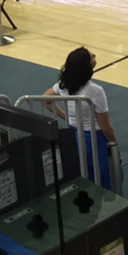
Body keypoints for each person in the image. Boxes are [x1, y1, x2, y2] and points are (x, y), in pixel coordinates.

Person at [45, 46, 118, 191]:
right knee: (101, 177)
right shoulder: (96, 91)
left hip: (73, 135)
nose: (95, 56)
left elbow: (45, 100)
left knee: (80, 175)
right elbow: (105, 127)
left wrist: (67, 116)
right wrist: (114, 142)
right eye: (92, 57)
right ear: (87, 66)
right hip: (93, 139)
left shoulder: (63, 84)